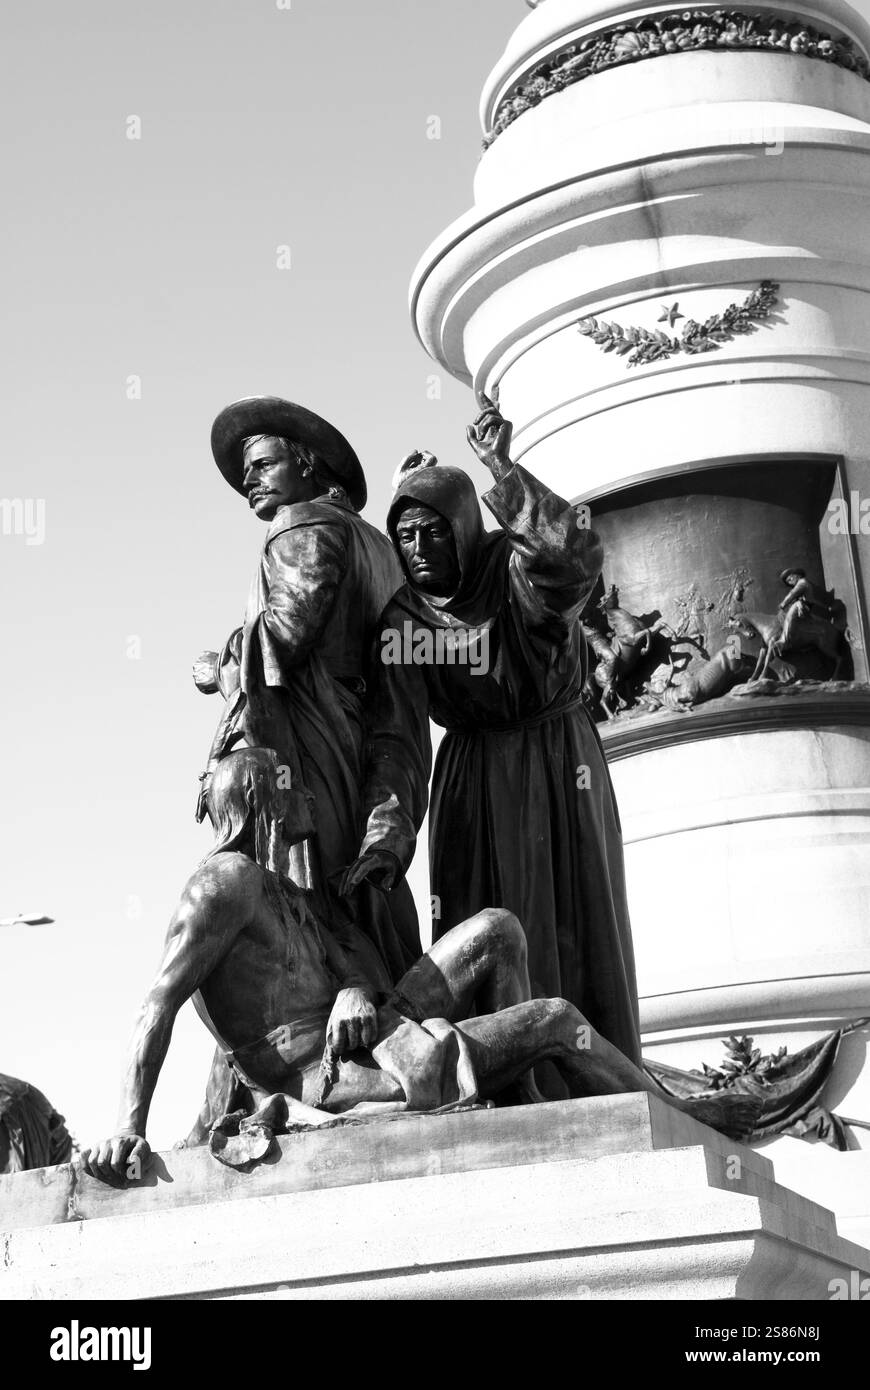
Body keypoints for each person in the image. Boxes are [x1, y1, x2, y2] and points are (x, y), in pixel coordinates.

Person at [80, 749, 755, 1185]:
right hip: (342, 1079)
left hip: (373, 1037)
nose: (315, 798)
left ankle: (526, 1108)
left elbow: (323, 986)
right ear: (270, 799)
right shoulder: (223, 884)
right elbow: (158, 1004)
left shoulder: (287, 890)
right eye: (299, 786)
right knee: (554, 1019)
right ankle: (688, 1117)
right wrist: (127, 1129)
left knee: (497, 931)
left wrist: (354, 991)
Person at [344, 398, 642, 1094]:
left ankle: (594, 1083)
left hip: (556, 760)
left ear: (463, 527)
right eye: (405, 536)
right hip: (470, 781)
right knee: (482, 925)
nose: (417, 550)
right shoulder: (406, 617)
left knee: (573, 926)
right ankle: (501, 1083)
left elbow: (577, 558)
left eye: (432, 533)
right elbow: (396, 737)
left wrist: (503, 472)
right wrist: (385, 837)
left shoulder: (514, 570)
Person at [196, 395, 419, 986]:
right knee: (360, 903)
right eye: (246, 475)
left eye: (264, 466)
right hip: (359, 734)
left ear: (309, 466)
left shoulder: (301, 525)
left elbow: (288, 631)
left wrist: (224, 659)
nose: (251, 483)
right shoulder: (375, 541)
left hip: (312, 741)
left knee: (312, 897)